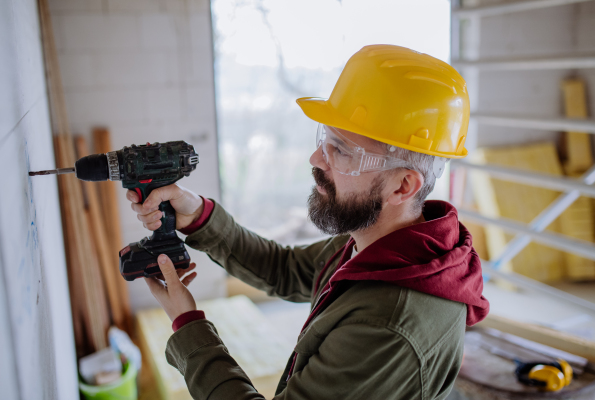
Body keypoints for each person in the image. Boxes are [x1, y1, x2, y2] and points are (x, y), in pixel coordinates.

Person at [127, 45, 489, 400]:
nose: (316, 158)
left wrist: (188, 326)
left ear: (402, 185)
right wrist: (198, 216)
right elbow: (286, 269)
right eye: (325, 139)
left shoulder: (387, 327)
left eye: (343, 150)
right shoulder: (383, 242)